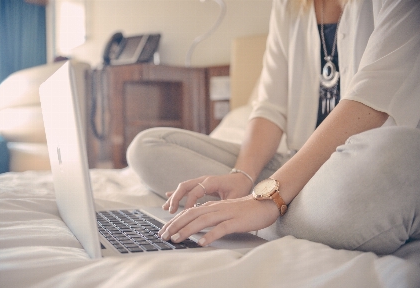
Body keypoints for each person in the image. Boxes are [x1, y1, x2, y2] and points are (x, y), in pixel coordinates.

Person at [127, 0, 420, 256]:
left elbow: (370, 98)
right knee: (149, 146)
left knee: (401, 154)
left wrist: (268, 200)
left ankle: (260, 212)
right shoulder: (288, 4)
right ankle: (264, 211)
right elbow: (270, 106)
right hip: (296, 165)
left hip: (359, 168)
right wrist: (243, 175)